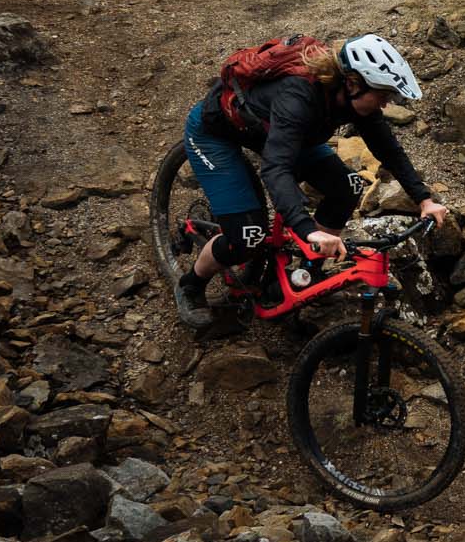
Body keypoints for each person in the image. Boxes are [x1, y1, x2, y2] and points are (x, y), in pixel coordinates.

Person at [174, 33, 451, 328]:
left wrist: (424, 199)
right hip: (216, 133)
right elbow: (275, 168)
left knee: (349, 186)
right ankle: (191, 285)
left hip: (279, 132)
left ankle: (306, 272)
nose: (386, 104)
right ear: (353, 83)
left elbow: (389, 151)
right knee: (248, 235)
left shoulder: (356, 100)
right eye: (383, 95)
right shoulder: (298, 96)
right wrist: (308, 230)